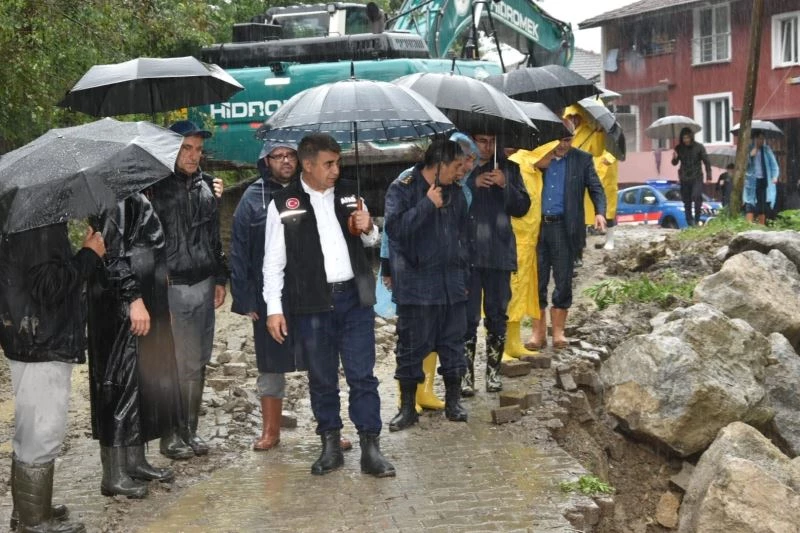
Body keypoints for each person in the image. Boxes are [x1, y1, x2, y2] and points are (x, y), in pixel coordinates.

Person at [263, 133, 394, 478]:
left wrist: (370, 228)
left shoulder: (351, 193)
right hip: (311, 304)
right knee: (321, 378)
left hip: (354, 299)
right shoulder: (283, 203)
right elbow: (272, 262)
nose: (336, 170)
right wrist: (274, 308)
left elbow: (371, 239)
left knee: (362, 375)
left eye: (337, 163)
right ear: (308, 165)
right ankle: (330, 444)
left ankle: (371, 446)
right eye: (329, 164)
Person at [230, 140, 353, 452]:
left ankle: (330, 429)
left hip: (310, 293)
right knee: (271, 365)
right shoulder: (252, 198)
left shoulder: (316, 194)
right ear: (266, 161)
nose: (285, 161)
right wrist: (246, 298)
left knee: (322, 362)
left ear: (301, 160)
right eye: (277, 156)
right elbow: (239, 249)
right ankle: (271, 431)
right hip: (268, 295)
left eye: (290, 155)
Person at [0, 223, 105, 533]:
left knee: (30, 429)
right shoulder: (36, 227)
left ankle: (30, 510)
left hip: (30, 337)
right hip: (41, 341)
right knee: (43, 432)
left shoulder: (25, 220)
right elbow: (48, 286)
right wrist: (88, 255)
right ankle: (34, 522)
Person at [87, 194, 180, 498]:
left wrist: (156, 300)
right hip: (120, 305)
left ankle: (135, 460)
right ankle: (114, 474)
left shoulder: (133, 193)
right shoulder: (112, 198)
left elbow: (150, 249)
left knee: (138, 380)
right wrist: (133, 299)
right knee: (118, 384)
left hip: (140, 297)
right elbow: (112, 255)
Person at [378, 132, 478, 412]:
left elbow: (464, 236)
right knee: (411, 346)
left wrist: (464, 276)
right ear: (439, 164)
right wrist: (427, 205)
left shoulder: (456, 192)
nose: (461, 172)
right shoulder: (403, 187)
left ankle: (454, 403)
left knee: (453, 344)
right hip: (416, 285)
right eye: (456, 166)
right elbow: (395, 230)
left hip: (452, 285)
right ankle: (407, 407)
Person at [147, 120, 228, 459]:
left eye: (197, 149)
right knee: (173, 363)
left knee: (197, 362)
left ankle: (189, 431)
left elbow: (213, 236)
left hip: (204, 283)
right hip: (172, 286)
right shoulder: (152, 187)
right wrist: (155, 281)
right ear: (171, 149)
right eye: (186, 148)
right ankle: (169, 435)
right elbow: (146, 242)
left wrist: (221, 278)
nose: (194, 155)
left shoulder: (207, 185)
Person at [460, 133, 530, 395]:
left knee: (497, 315)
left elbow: (522, 206)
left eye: (491, 141)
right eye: (481, 141)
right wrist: (471, 183)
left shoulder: (510, 168)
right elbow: (450, 203)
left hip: (499, 254)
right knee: (467, 318)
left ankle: (493, 372)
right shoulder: (461, 167)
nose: (487, 147)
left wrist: (505, 185)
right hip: (468, 255)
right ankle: (466, 376)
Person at [526, 136, 606, 350]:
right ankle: (538, 333)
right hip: (537, 227)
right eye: (559, 140)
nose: (563, 145)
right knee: (536, 280)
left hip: (565, 227)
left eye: (568, 140)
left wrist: (600, 212)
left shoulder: (582, 159)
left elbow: (596, 187)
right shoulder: (537, 156)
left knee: (563, 279)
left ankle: (558, 332)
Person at [502, 140, 560, 361]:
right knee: (507, 294)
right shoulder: (516, 166)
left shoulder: (534, 170)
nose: (553, 157)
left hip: (527, 244)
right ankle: (500, 346)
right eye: (551, 152)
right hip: (512, 242)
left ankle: (514, 342)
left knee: (521, 294)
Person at [671, 127, 711, 226]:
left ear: (691, 137)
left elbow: (706, 161)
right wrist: (674, 158)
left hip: (697, 176)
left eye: (688, 138)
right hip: (684, 177)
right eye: (684, 138)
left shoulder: (699, 147)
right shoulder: (678, 148)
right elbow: (674, 163)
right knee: (686, 201)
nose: (686, 140)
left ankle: (697, 219)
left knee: (696, 196)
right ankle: (689, 221)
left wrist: (709, 176)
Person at [744, 132, 779, 225]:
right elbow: (743, 165)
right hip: (751, 181)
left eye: (763, 138)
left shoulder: (767, 150)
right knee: (749, 201)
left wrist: (774, 176)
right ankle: (748, 225)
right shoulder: (749, 149)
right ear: (754, 139)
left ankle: (761, 225)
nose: (761, 141)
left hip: (763, 180)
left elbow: (774, 165)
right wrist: (750, 156)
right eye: (759, 138)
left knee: (762, 202)